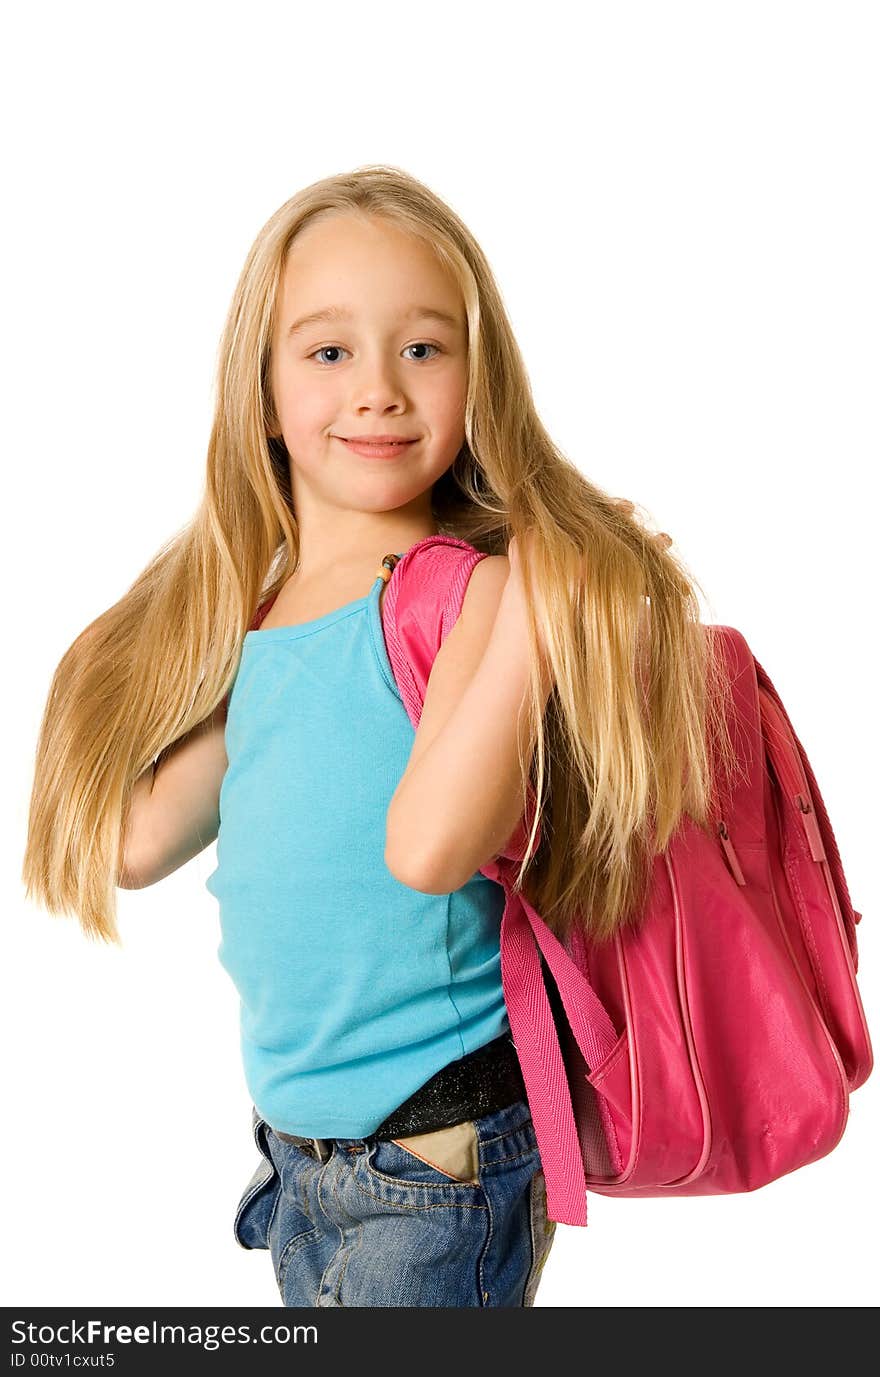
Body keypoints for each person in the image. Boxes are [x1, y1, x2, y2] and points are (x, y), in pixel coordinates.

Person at [22, 164, 733, 1307]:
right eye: (328, 351)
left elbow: (428, 849)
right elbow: (134, 844)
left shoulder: (465, 594)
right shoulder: (261, 616)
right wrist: (135, 652)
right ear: (258, 390)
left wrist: (540, 585)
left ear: (478, 379)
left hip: (435, 1161)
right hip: (298, 1166)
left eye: (422, 348)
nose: (380, 391)